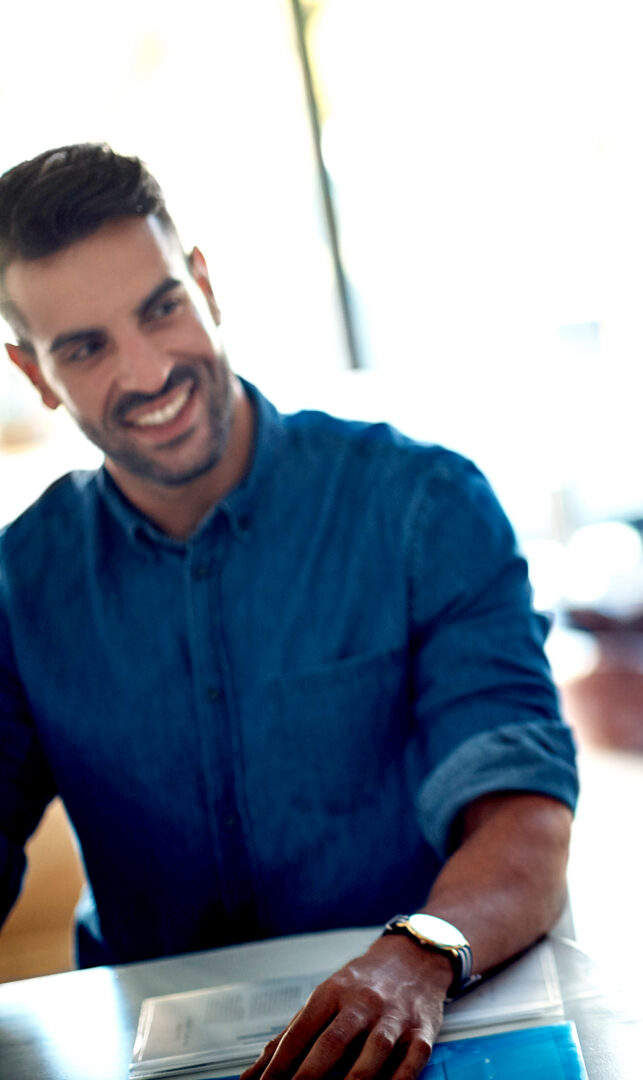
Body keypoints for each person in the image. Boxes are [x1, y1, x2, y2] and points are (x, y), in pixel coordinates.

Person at [0, 144, 578, 1080]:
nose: (149, 373)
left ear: (203, 283)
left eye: (161, 309)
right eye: (88, 347)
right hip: (151, 1055)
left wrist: (415, 954)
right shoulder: (19, 585)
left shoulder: (423, 508)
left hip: (429, 1019)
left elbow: (524, 818)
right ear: (35, 374)